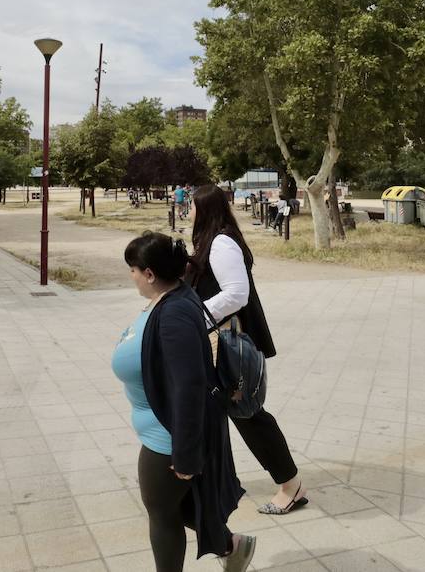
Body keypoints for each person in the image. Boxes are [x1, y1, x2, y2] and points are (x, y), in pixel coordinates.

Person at [114, 232, 255, 571]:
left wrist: (186, 454)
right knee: (178, 507)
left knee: (162, 516)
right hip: (166, 430)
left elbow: (189, 386)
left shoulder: (175, 312)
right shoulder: (176, 296)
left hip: (167, 437)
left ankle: (230, 546)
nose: (130, 276)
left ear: (148, 274)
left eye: (132, 269)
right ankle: (231, 546)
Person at [188, 184, 309, 515]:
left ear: (205, 208)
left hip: (228, 346)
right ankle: (209, 481)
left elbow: (237, 294)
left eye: (192, 204)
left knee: (250, 416)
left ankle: (291, 485)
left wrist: (195, 315)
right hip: (216, 344)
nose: (188, 209)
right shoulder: (210, 241)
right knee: (219, 415)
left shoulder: (221, 243)